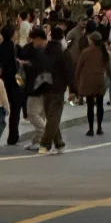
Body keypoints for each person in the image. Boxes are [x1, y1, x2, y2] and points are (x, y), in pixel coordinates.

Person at [38, 25, 73, 155]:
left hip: (45, 86)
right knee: (54, 116)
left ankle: (59, 142)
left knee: (50, 116)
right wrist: (73, 90)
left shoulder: (44, 51)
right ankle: (45, 143)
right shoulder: (64, 52)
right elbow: (69, 72)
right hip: (58, 88)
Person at [76, 31, 109, 135]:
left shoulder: (85, 52)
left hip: (88, 81)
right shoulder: (104, 52)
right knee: (100, 105)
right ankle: (99, 127)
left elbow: (78, 68)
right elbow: (109, 70)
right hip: (100, 80)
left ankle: (91, 129)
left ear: (92, 41)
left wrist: (75, 82)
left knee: (90, 106)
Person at [0, 22, 23, 145]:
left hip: (1, 80)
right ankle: (13, 135)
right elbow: (16, 66)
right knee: (15, 109)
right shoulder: (14, 48)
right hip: (14, 81)